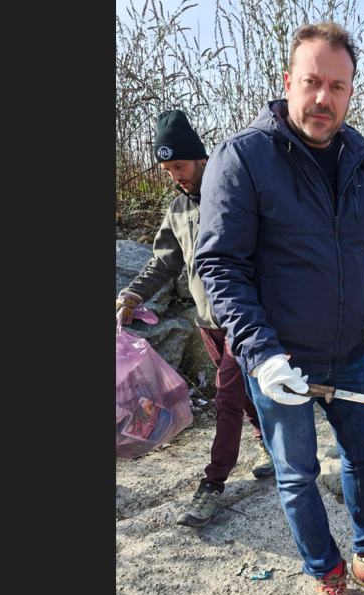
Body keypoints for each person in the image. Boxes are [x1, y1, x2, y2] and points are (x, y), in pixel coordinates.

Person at [195, 22, 364, 595]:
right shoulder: (243, 157)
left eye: (337, 86)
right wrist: (261, 354)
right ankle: (326, 573)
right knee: (296, 474)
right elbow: (219, 264)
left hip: (347, 352)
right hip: (278, 361)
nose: (323, 98)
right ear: (288, 83)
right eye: (312, 82)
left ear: (351, 93)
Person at [116, 110, 274, 529]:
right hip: (208, 323)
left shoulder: (235, 194)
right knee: (240, 397)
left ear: (201, 158)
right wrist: (134, 293)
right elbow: (164, 262)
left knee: (225, 398)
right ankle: (269, 444)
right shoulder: (179, 208)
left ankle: (213, 484)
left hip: (243, 320)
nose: (174, 176)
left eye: (180, 166)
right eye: (167, 169)